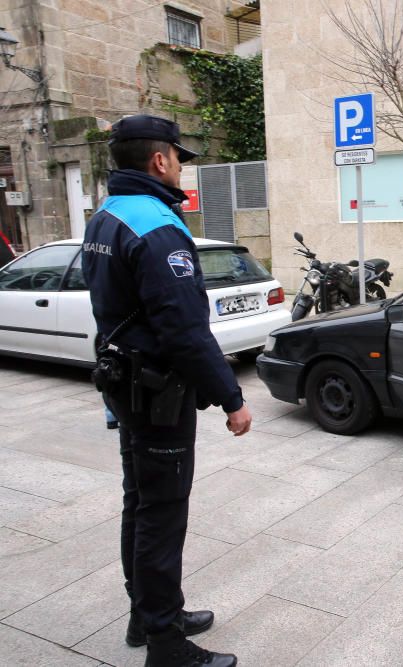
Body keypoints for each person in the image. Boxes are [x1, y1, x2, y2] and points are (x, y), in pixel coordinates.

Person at [82, 115, 251, 667]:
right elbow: (182, 328)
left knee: (140, 503)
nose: (179, 166)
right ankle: (167, 646)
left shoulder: (105, 216)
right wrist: (231, 397)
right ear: (160, 161)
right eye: (178, 157)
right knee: (161, 515)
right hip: (156, 393)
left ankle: (150, 615)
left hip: (126, 383)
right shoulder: (157, 226)